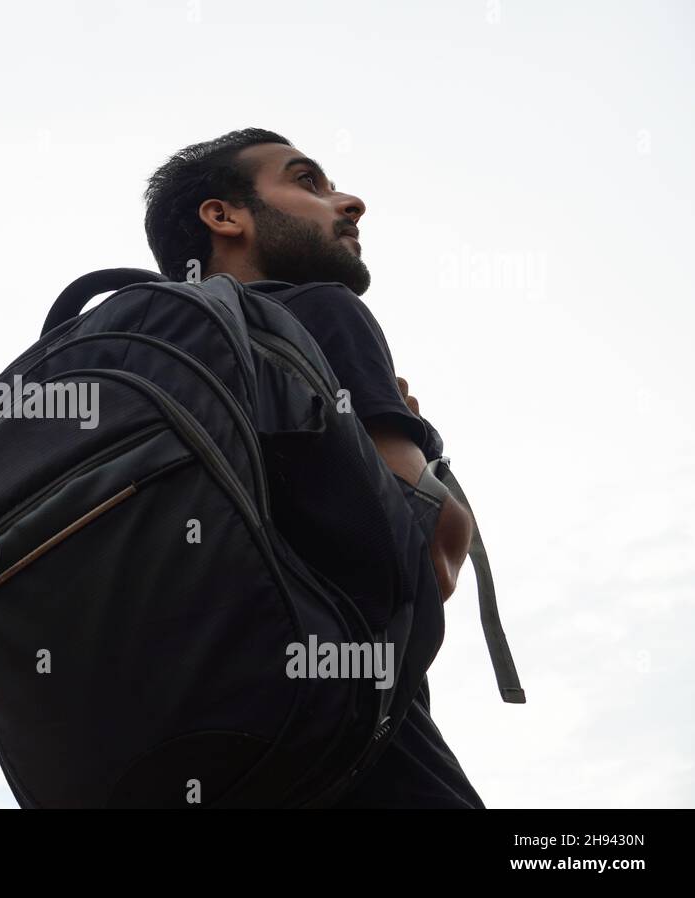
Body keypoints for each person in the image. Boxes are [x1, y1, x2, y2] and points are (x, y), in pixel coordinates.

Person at [143, 128, 485, 808]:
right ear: (224, 216)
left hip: (156, 756)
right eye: (309, 183)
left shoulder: (146, 361)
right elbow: (425, 562)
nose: (350, 203)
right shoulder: (317, 314)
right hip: (343, 747)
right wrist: (413, 442)